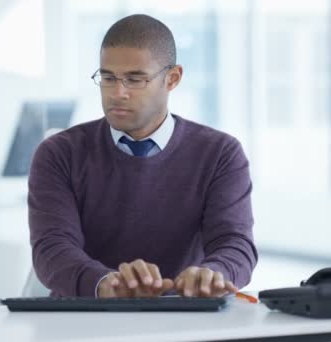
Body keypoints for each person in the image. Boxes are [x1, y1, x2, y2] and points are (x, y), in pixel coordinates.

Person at [28, 14, 257, 298]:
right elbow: (52, 249)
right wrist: (105, 284)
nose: (117, 93)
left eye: (135, 79)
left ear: (172, 79)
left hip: (185, 320)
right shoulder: (59, 153)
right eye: (108, 78)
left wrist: (214, 274)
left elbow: (235, 244)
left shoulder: (220, 154)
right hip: (86, 320)